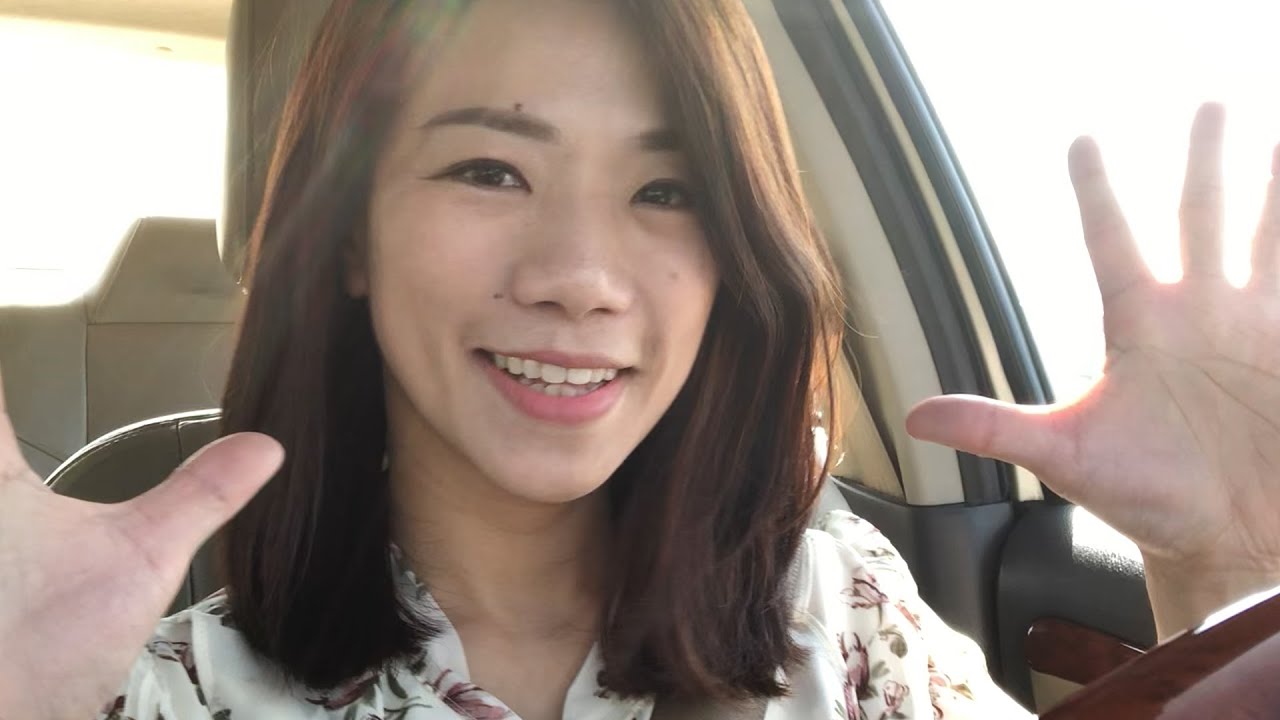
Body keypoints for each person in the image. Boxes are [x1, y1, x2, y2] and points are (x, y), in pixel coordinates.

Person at [2, 0, 1278, 718]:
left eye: (668, 191)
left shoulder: (837, 614)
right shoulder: (159, 691)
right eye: (489, 169)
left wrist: (1224, 567)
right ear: (349, 238)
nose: (580, 275)